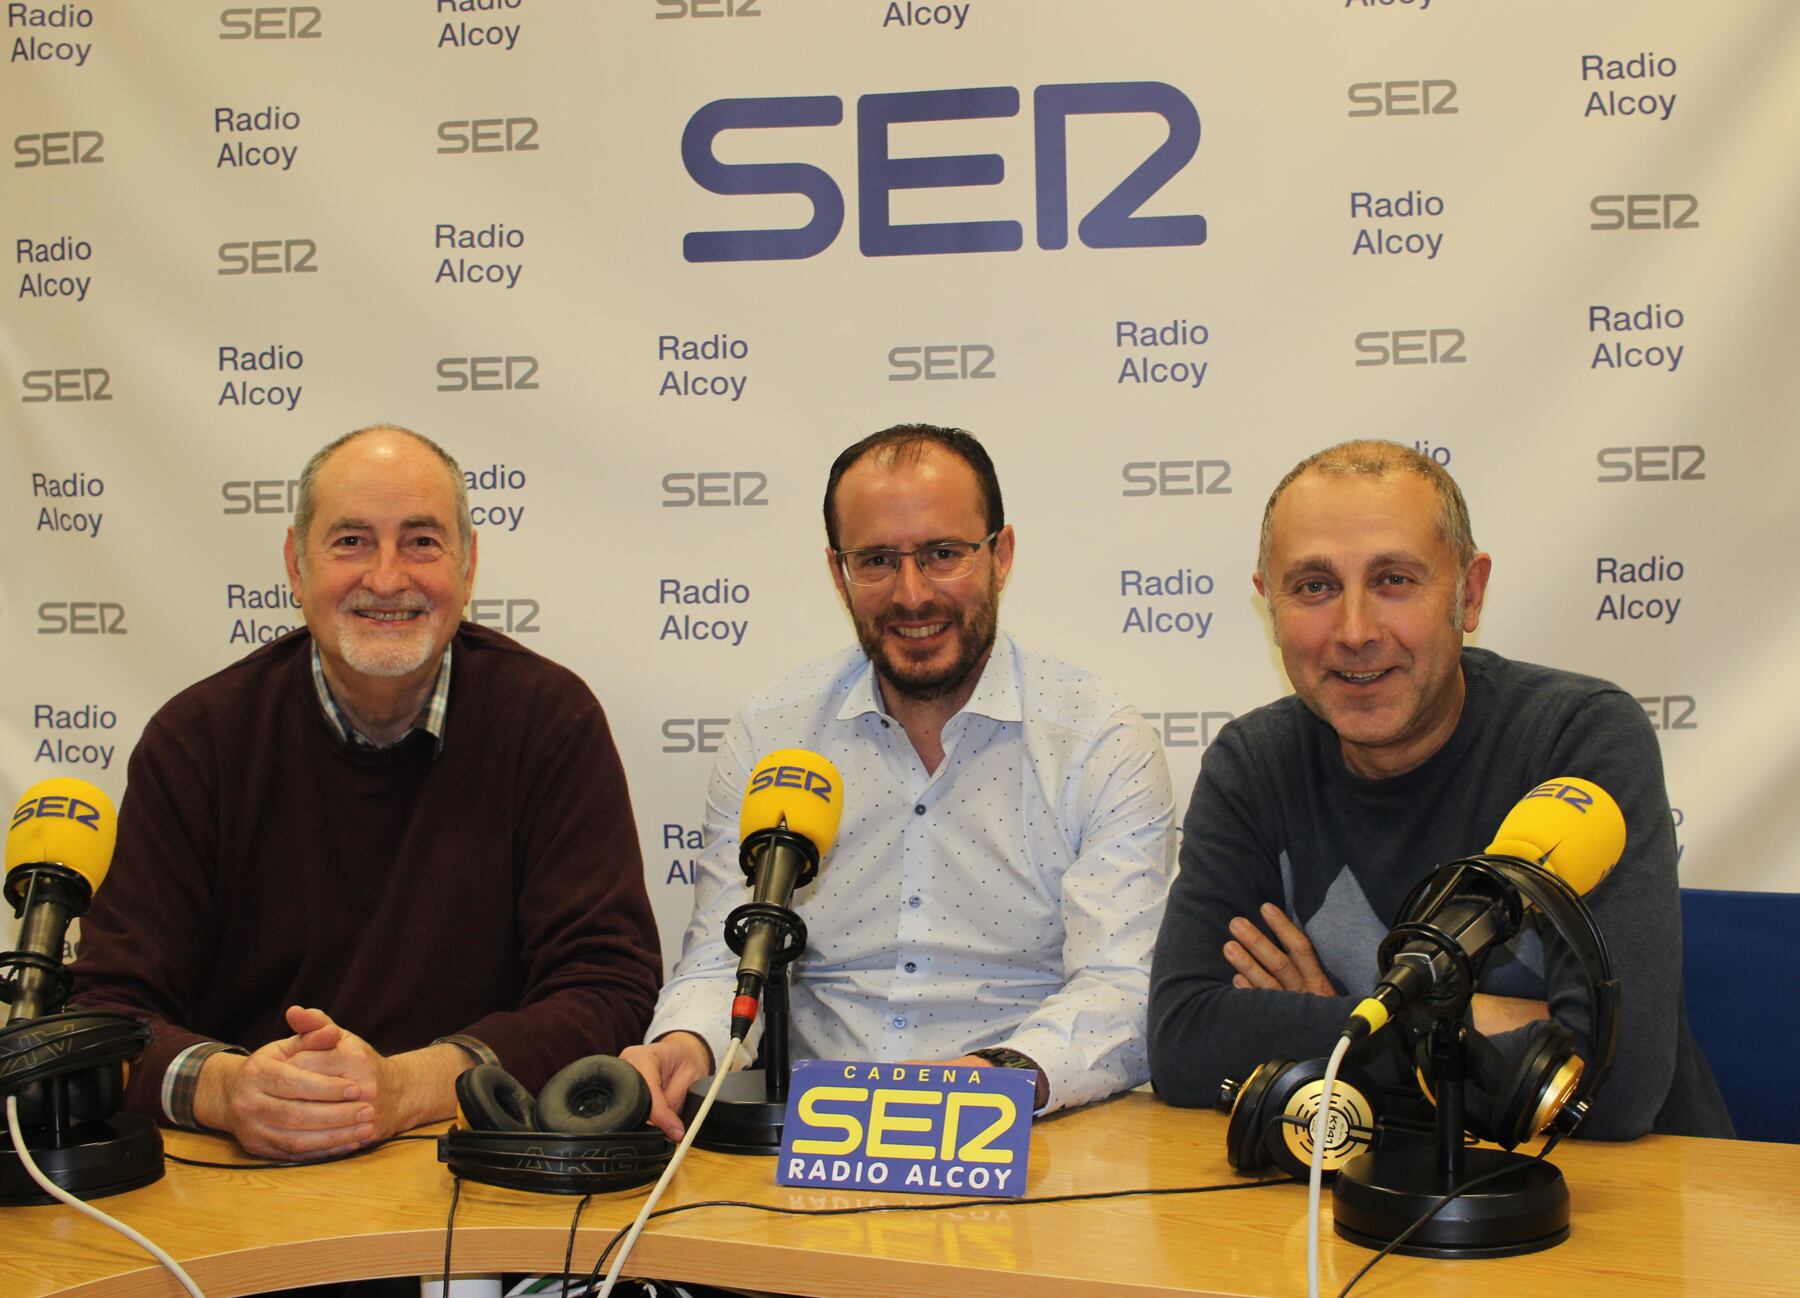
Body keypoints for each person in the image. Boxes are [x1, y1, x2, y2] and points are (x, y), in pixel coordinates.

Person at [71, 424, 662, 1160]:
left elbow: (610, 987)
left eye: (422, 541)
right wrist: (225, 1090)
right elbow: (104, 1012)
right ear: (296, 565)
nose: (387, 578)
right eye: (351, 541)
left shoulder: (549, 721)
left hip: (467, 1173)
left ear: (469, 566)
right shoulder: (198, 740)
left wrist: (406, 1086)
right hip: (245, 1182)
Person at [1147, 439, 1731, 1139]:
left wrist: (1347, 1024)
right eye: (1314, 587)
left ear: (1470, 592)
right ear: (1269, 604)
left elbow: (1616, 1081)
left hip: (1615, 1200)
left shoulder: (1578, 740)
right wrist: (1488, 1023)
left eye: (1394, 580)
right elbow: (1184, 1046)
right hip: (1362, 1192)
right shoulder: (1254, 763)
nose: (1355, 631)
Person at [624, 424, 1174, 1139]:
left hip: (1026, 1143)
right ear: (837, 571)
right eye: (877, 561)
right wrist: (685, 1047)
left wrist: (994, 1076)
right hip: (805, 1150)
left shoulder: (1098, 740)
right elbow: (726, 960)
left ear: (1000, 556)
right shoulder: (774, 734)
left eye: (943, 555)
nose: (911, 595)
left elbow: (1124, 986)